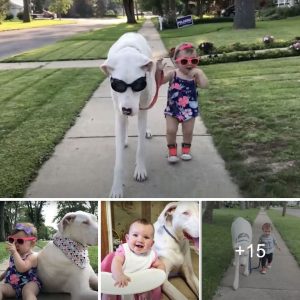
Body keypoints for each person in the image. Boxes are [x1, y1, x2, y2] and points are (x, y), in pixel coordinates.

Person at [157, 42, 209, 163]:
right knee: (170, 130)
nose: (190, 64)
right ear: (176, 62)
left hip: (190, 110)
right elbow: (160, 82)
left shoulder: (195, 76)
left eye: (194, 61)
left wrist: (200, 73)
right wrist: (159, 71)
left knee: (188, 131)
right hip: (172, 110)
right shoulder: (173, 73)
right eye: (185, 61)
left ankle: (186, 150)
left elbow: (205, 85)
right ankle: (172, 151)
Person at [102, 219, 165, 300]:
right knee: (109, 292)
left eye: (146, 237)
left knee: (149, 293)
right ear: (127, 238)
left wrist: (159, 273)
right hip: (121, 284)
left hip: (140, 288)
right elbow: (116, 262)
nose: (140, 240)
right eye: (135, 235)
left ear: (152, 244)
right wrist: (119, 275)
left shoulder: (151, 255)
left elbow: (160, 264)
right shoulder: (124, 251)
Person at [0, 223, 42, 300]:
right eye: (12, 240)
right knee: (0, 288)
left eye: (20, 241)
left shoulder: (32, 256)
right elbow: (11, 268)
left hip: (30, 283)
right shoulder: (14, 255)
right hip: (12, 285)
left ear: (32, 243)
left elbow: (22, 268)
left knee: (28, 292)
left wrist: (15, 253)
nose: (15, 244)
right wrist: (2, 276)